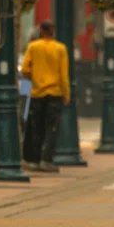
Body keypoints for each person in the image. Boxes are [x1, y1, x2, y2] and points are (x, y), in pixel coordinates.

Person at [20, 20, 70, 173]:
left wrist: (34, 78)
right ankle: (46, 160)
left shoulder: (33, 47)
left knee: (35, 127)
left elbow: (24, 69)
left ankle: (33, 160)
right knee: (51, 129)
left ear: (41, 30)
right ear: (52, 32)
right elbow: (63, 74)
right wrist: (66, 93)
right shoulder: (60, 49)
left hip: (37, 93)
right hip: (54, 93)